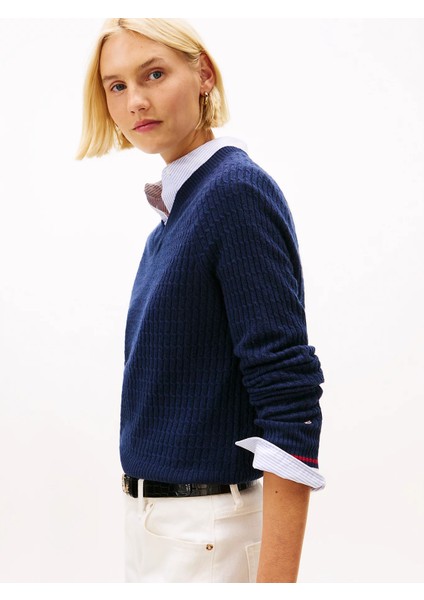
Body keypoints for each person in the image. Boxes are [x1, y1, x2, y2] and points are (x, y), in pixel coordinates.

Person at [77, 18, 325, 583]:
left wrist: (276, 585)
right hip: (159, 526)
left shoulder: (234, 192)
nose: (136, 101)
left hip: (205, 533)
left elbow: (288, 392)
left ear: (203, 75)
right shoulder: (174, 218)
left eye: (154, 74)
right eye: (117, 86)